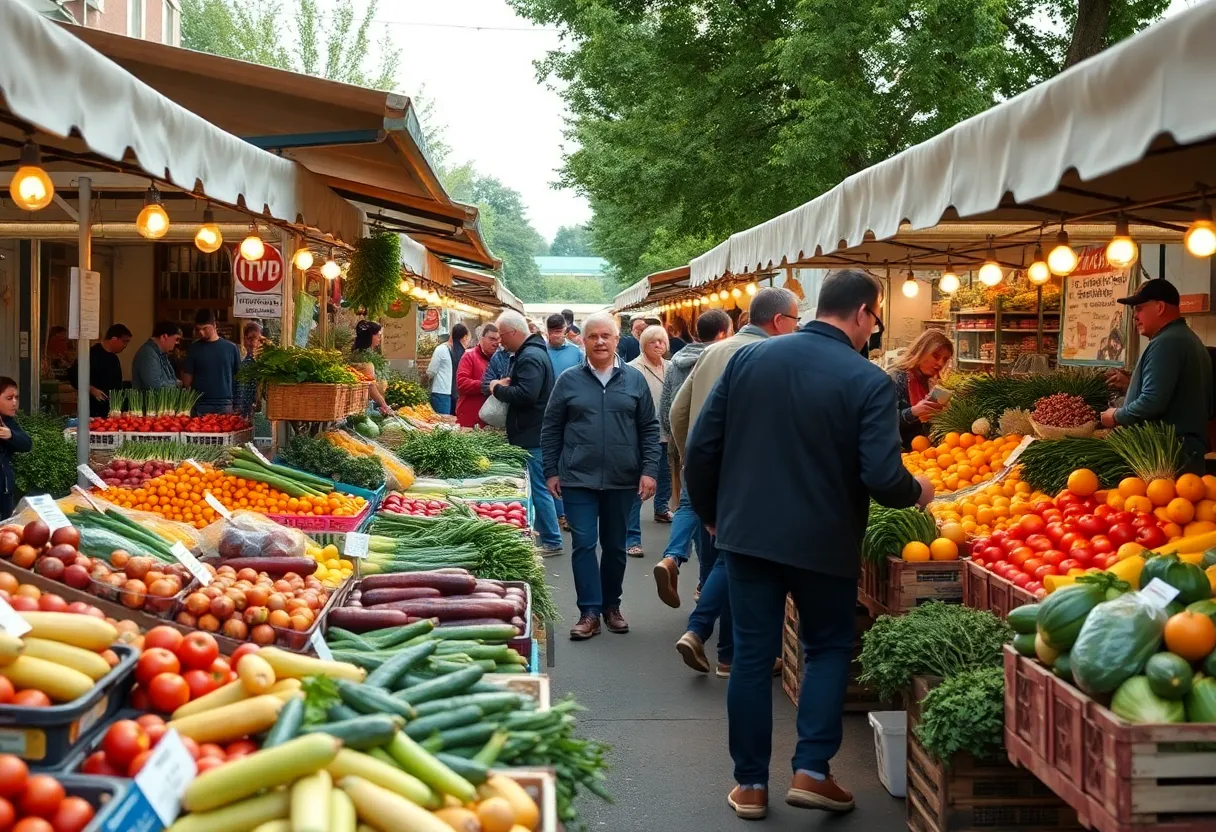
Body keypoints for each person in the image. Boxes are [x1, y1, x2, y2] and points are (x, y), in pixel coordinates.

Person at [684, 270, 933, 820]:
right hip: (825, 539)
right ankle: (812, 771)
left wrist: (711, 513)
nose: (872, 330)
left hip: (749, 534)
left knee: (751, 657)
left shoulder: (749, 359)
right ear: (863, 313)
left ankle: (751, 785)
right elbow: (882, 476)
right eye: (875, 320)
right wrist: (918, 490)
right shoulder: (867, 380)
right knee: (825, 648)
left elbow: (702, 445)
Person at [666, 288, 801, 677]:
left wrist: (692, 461)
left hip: (708, 473)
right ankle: (714, 642)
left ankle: (718, 648)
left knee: (722, 559)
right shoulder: (770, 356)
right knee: (734, 560)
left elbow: (678, 412)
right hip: (749, 478)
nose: (797, 329)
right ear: (779, 321)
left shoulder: (713, 352)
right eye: (795, 321)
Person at [541, 312, 661, 639]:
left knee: (615, 546)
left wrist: (650, 470)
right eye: (593, 336)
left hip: (622, 478)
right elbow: (551, 428)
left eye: (606, 336)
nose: (600, 342)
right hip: (578, 477)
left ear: (617, 339)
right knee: (583, 543)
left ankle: (612, 606)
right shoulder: (569, 380)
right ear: (583, 340)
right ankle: (589, 612)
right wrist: (550, 470)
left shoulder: (634, 380)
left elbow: (649, 428)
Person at [652, 309, 732, 608]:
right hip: (720, 449)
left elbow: (669, 407)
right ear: (723, 332)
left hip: (686, 445)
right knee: (711, 516)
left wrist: (681, 445)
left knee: (689, 505)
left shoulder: (676, 362)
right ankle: (705, 584)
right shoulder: (727, 357)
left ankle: (673, 557)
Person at [1101, 279, 1214, 473]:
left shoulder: (1167, 342)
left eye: (1139, 308)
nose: (1135, 316)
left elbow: (1152, 401)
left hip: (1170, 455)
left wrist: (1116, 416)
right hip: (1180, 452)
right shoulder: (1184, 338)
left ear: (1160, 307)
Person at [489, 311, 563, 557]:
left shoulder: (530, 356)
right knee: (539, 485)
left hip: (532, 432)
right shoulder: (533, 353)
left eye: (502, 336)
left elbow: (526, 395)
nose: (500, 341)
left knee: (539, 487)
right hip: (533, 430)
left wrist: (497, 389)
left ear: (513, 332)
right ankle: (548, 536)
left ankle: (552, 540)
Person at [625, 325, 673, 557]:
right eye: (653, 341)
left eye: (662, 341)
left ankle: (661, 508)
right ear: (643, 344)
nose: (658, 345)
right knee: (639, 486)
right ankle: (632, 538)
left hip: (667, 431)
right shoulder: (633, 369)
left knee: (665, 474)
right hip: (641, 435)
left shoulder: (671, 367)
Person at [888, 329, 954, 449]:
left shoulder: (930, 381)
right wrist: (913, 412)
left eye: (945, 359)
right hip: (899, 454)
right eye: (936, 356)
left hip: (925, 454)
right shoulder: (896, 378)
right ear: (921, 351)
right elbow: (880, 420)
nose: (940, 364)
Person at [182, 310, 242, 415]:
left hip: (225, 403)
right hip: (199, 404)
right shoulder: (193, 348)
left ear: (215, 325)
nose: (201, 332)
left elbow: (239, 378)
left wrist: (238, 404)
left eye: (205, 328)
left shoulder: (232, 348)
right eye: (198, 329)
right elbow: (187, 380)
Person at [68, 324, 132, 417]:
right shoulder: (91, 354)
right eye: (124, 341)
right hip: (93, 410)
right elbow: (73, 375)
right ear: (114, 339)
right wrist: (91, 389)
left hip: (112, 409)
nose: (125, 345)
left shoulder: (114, 358)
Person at [455, 324, 500, 428]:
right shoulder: (469, 356)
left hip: (491, 420)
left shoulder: (499, 359)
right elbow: (462, 383)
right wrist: (488, 385)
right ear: (482, 339)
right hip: (470, 419)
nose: (495, 343)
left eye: (498, 340)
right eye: (492, 339)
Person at [0, 378, 32, 519]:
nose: (14, 402)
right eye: (9, 398)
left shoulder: (7, 422)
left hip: (5, 490)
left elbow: (27, 444)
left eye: (16, 398)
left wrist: (11, 435)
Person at [348, 320, 393, 417]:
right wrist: (384, 405)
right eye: (377, 335)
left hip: (368, 405)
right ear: (369, 336)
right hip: (363, 407)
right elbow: (370, 386)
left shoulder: (362, 354)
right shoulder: (362, 358)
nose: (379, 338)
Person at [426, 325, 468, 416]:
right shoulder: (463, 353)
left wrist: (426, 381)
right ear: (464, 337)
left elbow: (431, 371)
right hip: (456, 394)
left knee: (441, 421)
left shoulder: (441, 349)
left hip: (441, 392)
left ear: (451, 334)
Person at [131, 321, 182, 391]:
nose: (177, 343)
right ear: (164, 337)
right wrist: (176, 384)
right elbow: (155, 386)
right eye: (176, 339)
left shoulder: (159, 353)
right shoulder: (148, 354)